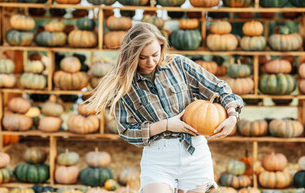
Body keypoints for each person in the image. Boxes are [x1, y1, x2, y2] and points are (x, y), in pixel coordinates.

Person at [86, 22, 243, 193]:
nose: (150, 61)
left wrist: (232, 116)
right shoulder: (124, 85)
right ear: (131, 55)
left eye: (155, 54)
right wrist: (166, 125)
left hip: (194, 153)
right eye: (142, 57)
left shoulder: (179, 65)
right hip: (158, 157)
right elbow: (127, 131)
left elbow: (219, 87)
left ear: (161, 46)